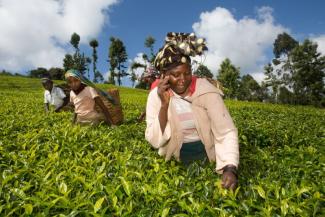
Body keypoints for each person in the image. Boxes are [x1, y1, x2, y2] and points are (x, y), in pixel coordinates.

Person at [145, 32, 239, 190]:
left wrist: (230, 168)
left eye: (187, 73)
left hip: (208, 154)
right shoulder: (156, 96)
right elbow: (154, 140)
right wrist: (164, 105)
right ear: (164, 76)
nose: (183, 79)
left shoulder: (206, 91)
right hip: (174, 157)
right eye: (175, 75)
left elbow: (226, 131)